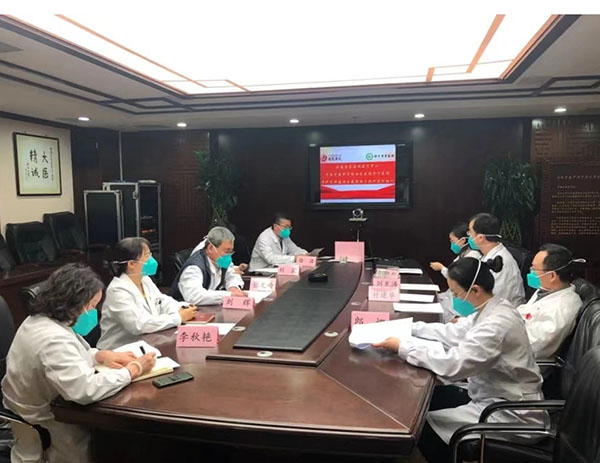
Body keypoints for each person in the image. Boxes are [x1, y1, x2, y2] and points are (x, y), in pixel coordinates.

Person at [374, 257, 545, 463]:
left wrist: (402, 347)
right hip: (491, 396)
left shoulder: (496, 324)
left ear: (475, 290)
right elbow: (453, 332)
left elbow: (453, 365)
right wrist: (408, 328)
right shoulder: (493, 308)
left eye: (456, 294)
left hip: (510, 413)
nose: (454, 298)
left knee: (420, 429)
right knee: (427, 399)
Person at [1, 263, 156, 463]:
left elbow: (71, 353)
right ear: (73, 303)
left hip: (41, 408)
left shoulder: (41, 320)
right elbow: (84, 390)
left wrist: (100, 356)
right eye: (91, 306)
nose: (93, 312)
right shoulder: (52, 339)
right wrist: (133, 370)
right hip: (49, 425)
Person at [98, 237, 198, 350]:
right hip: (118, 351)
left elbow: (162, 301)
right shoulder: (117, 290)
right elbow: (139, 325)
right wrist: (178, 318)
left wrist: (181, 307)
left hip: (147, 343)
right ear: (131, 264)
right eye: (147, 256)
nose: (152, 259)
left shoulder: (144, 279)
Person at [519, 243, 584, 359]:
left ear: (552, 275)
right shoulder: (545, 291)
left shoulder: (562, 308)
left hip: (522, 361)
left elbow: (533, 346)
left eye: (534, 268)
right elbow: (524, 312)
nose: (530, 272)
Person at [170, 226, 245, 305]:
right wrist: (228, 295)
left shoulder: (221, 260)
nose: (229, 256)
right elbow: (194, 297)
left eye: (231, 252)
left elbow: (232, 274)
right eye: (227, 251)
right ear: (210, 248)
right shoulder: (193, 268)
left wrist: (233, 287)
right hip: (185, 309)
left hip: (210, 308)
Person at [468, 212, 526, 306]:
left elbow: (493, 299)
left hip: (502, 310)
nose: (469, 236)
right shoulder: (487, 255)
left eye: (470, 232)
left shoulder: (501, 263)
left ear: (480, 238)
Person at [430, 222, 481, 322]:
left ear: (462, 240)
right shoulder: (464, 254)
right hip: (453, 297)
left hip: (462, 303)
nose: (451, 244)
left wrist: (441, 268)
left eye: (452, 241)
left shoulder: (473, 256)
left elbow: (458, 278)